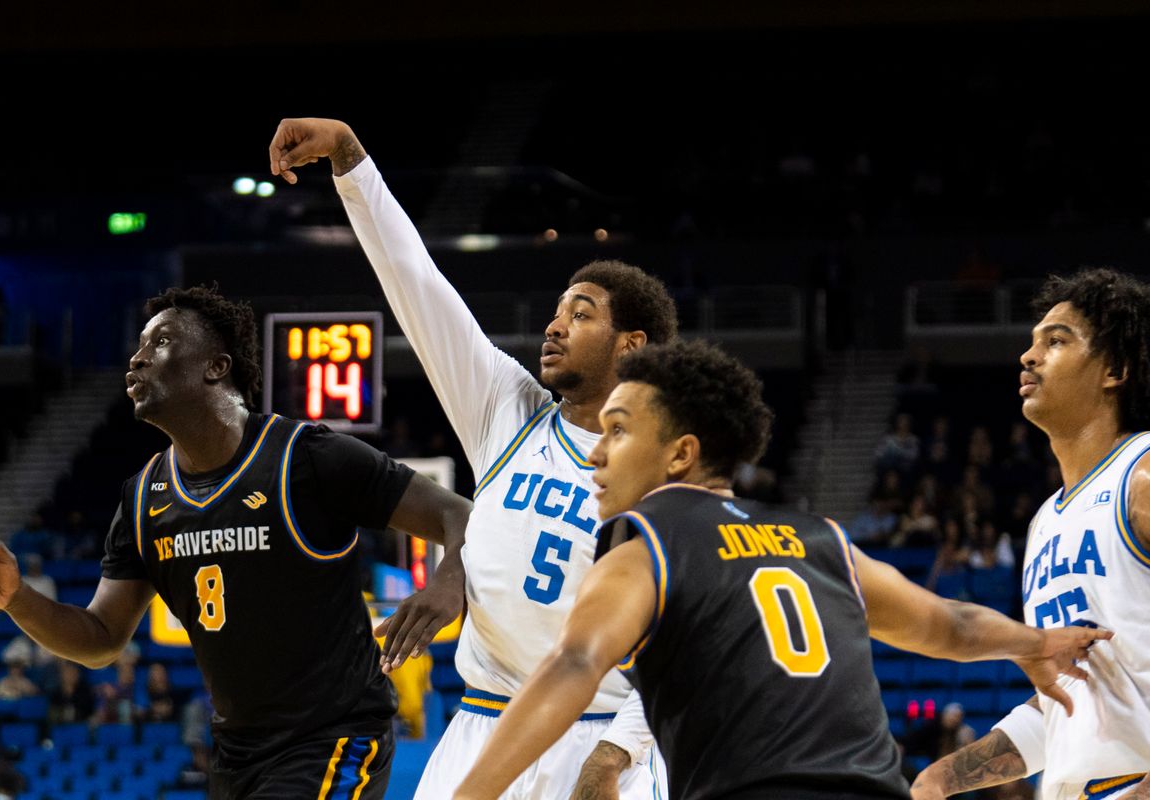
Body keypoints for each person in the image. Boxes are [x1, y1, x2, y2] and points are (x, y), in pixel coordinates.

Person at [450, 340, 1108, 800]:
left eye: (617, 431)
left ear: (680, 454)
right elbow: (951, 627)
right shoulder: (819, 537)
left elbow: (573, 665)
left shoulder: (645, 545)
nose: (597, 454)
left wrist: (470, 794)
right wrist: (1034, 643)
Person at [270, 118, 675, 798]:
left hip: (604, 742)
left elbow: (682, 641)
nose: (554, 326)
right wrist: (350, 160)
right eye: (557, 312)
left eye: (581, 315)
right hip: (485, 725)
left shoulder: (664, 472)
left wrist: (616, 754)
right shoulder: (507, 410)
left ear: (630, 344)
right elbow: (418, 286)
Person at [0, 285, 472, 800]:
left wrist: (448, 584)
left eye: (161, 342)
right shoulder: (142, 499)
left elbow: (461, 515)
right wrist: (16, 599)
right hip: (236, 753)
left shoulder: (307, 457)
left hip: (333, 736)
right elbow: (101, 638)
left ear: (216, 367)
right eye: (140, 345)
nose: (137, 358)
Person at [913, 268, 1150, 800]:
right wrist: (943, 778)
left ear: (1114, 370)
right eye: (1032, 342)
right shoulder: (1046, 520)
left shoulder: (1142, 473)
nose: (1028, 356)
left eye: (1056, 341)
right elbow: (1065, 700)